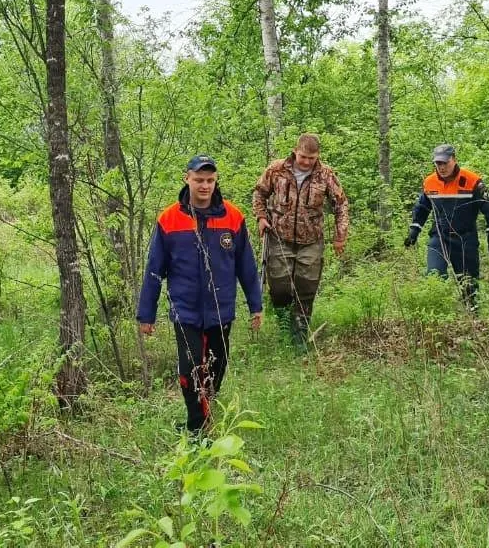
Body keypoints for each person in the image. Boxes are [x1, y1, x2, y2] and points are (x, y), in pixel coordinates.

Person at [137, 155, 263, 434]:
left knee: (216, 367)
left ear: (215, 181)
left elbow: (247, 266)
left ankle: (204, 408)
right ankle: (198, 429)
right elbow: (154, 270)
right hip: (185, 310)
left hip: (221, 309)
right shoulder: (169, 219)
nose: (204, 186)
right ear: (187, 179)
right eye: (199, 180)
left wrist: (256, 305)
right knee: (190, 368)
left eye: (209, 180)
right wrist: (147, 313)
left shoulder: (232, 216)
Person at [252, 133, 349, 348]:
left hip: (311, 240)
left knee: (306, 287)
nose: (306, 162)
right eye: (303, 157)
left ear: (318, 156)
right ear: (296, 151)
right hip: (279, 237)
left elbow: (341, 205)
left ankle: (299, 337)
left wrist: (340, 236)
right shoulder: (276, 169)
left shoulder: (325, 175)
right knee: (279, 287)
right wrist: (260, 217)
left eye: (311, 158)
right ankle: (284, 327)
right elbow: (259, 194)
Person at [404, 144, 489, 308]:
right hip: (439, 237)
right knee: (434, 275)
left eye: (445, 163)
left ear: (454, 160)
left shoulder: (472, 181)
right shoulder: (429, 182)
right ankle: (437, 317)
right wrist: (414, 231)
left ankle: (473, 317)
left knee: (468, 284)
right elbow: (422, 208)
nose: (441, 167)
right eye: (438, 164)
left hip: (465, 238)